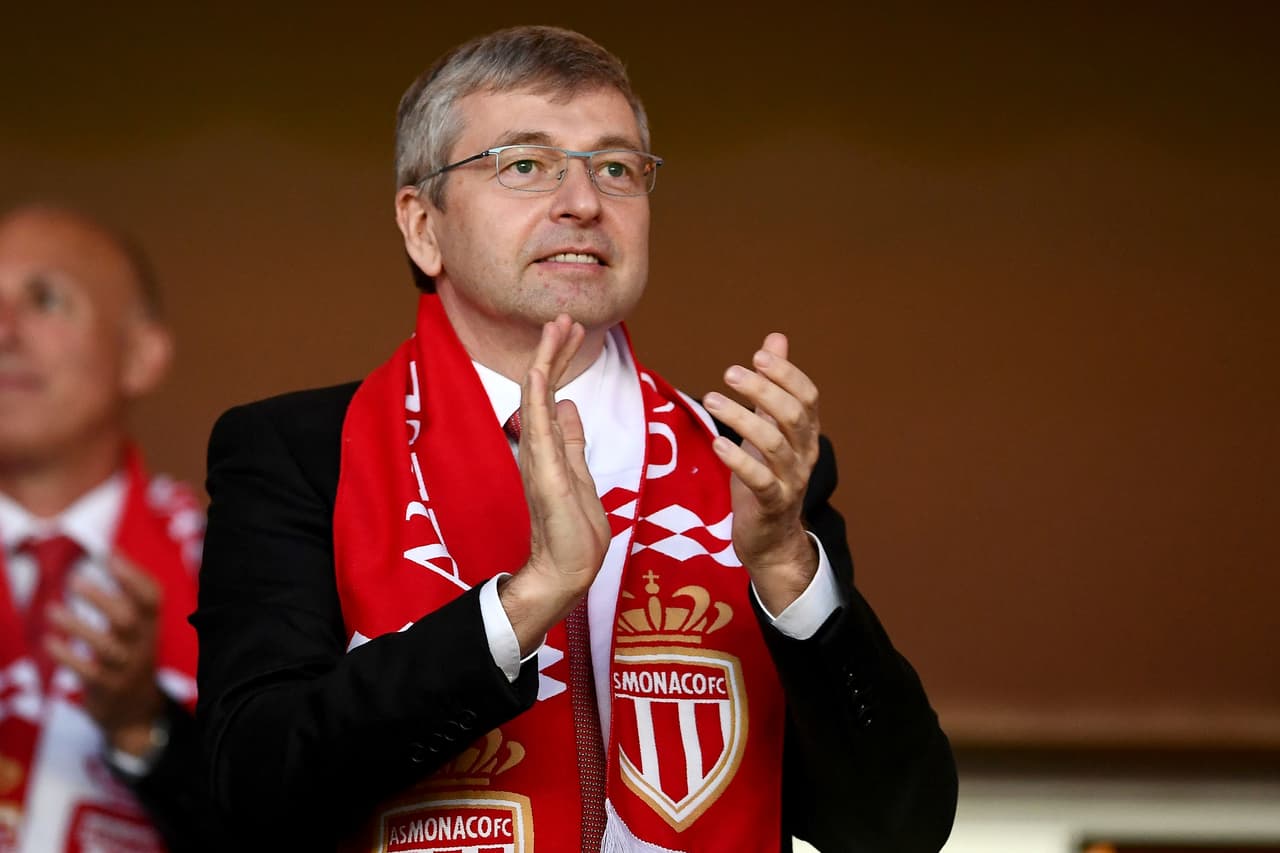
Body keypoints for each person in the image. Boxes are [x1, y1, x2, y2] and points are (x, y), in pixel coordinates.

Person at [195, 25, 957, 853]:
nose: (584, 202)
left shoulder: (746, 462)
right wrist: (531, 596)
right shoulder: (300, 451)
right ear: (423, 225)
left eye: (617, 168)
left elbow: (896, 827)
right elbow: (253, 786)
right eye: (526, 165)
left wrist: (785, 567)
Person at [0, 205, 208, 852]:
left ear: (141, 355)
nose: (4, 330)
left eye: (45, 300)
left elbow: (282, 824)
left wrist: (140, 720)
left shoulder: (228, 568)